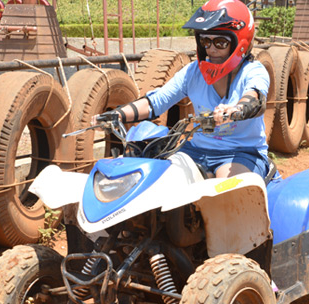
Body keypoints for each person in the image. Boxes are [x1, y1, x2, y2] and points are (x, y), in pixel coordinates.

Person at [94, 0, 270, 179]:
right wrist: (116, 114)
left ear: (240, 44)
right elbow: (156, 102)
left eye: (220, 42)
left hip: (241, 152)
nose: (211, 50)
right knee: (155, 178)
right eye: (205, 42)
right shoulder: (193, 72)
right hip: (196, 150)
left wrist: (236, 109)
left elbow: (255, 97)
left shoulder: (253, 71)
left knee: (226, 190)